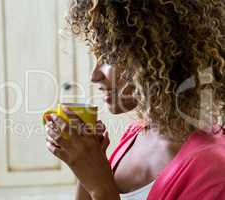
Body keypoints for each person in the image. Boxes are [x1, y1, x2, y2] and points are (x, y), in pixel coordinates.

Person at [44, 0, 225, 199]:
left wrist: (99, 187)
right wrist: (86, 162)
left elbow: (102, 192)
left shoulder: (214, 169)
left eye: (109, 58)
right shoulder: (137, 133)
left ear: (158, 56)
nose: (94, 76)